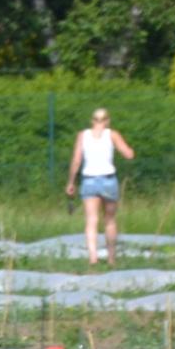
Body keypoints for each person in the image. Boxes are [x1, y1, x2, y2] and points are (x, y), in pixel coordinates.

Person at [63, 107, 133, 265]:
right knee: (109, 220)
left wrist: (71, 182)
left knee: (91, 220)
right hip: (108, 180)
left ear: (92, 120)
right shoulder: (112, 135)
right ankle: (111, 259)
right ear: (107, 121)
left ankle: (93, 259)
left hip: (89, 180)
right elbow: (128, 154)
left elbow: (76, 160)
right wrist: (130, 150)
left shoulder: (82, 136)